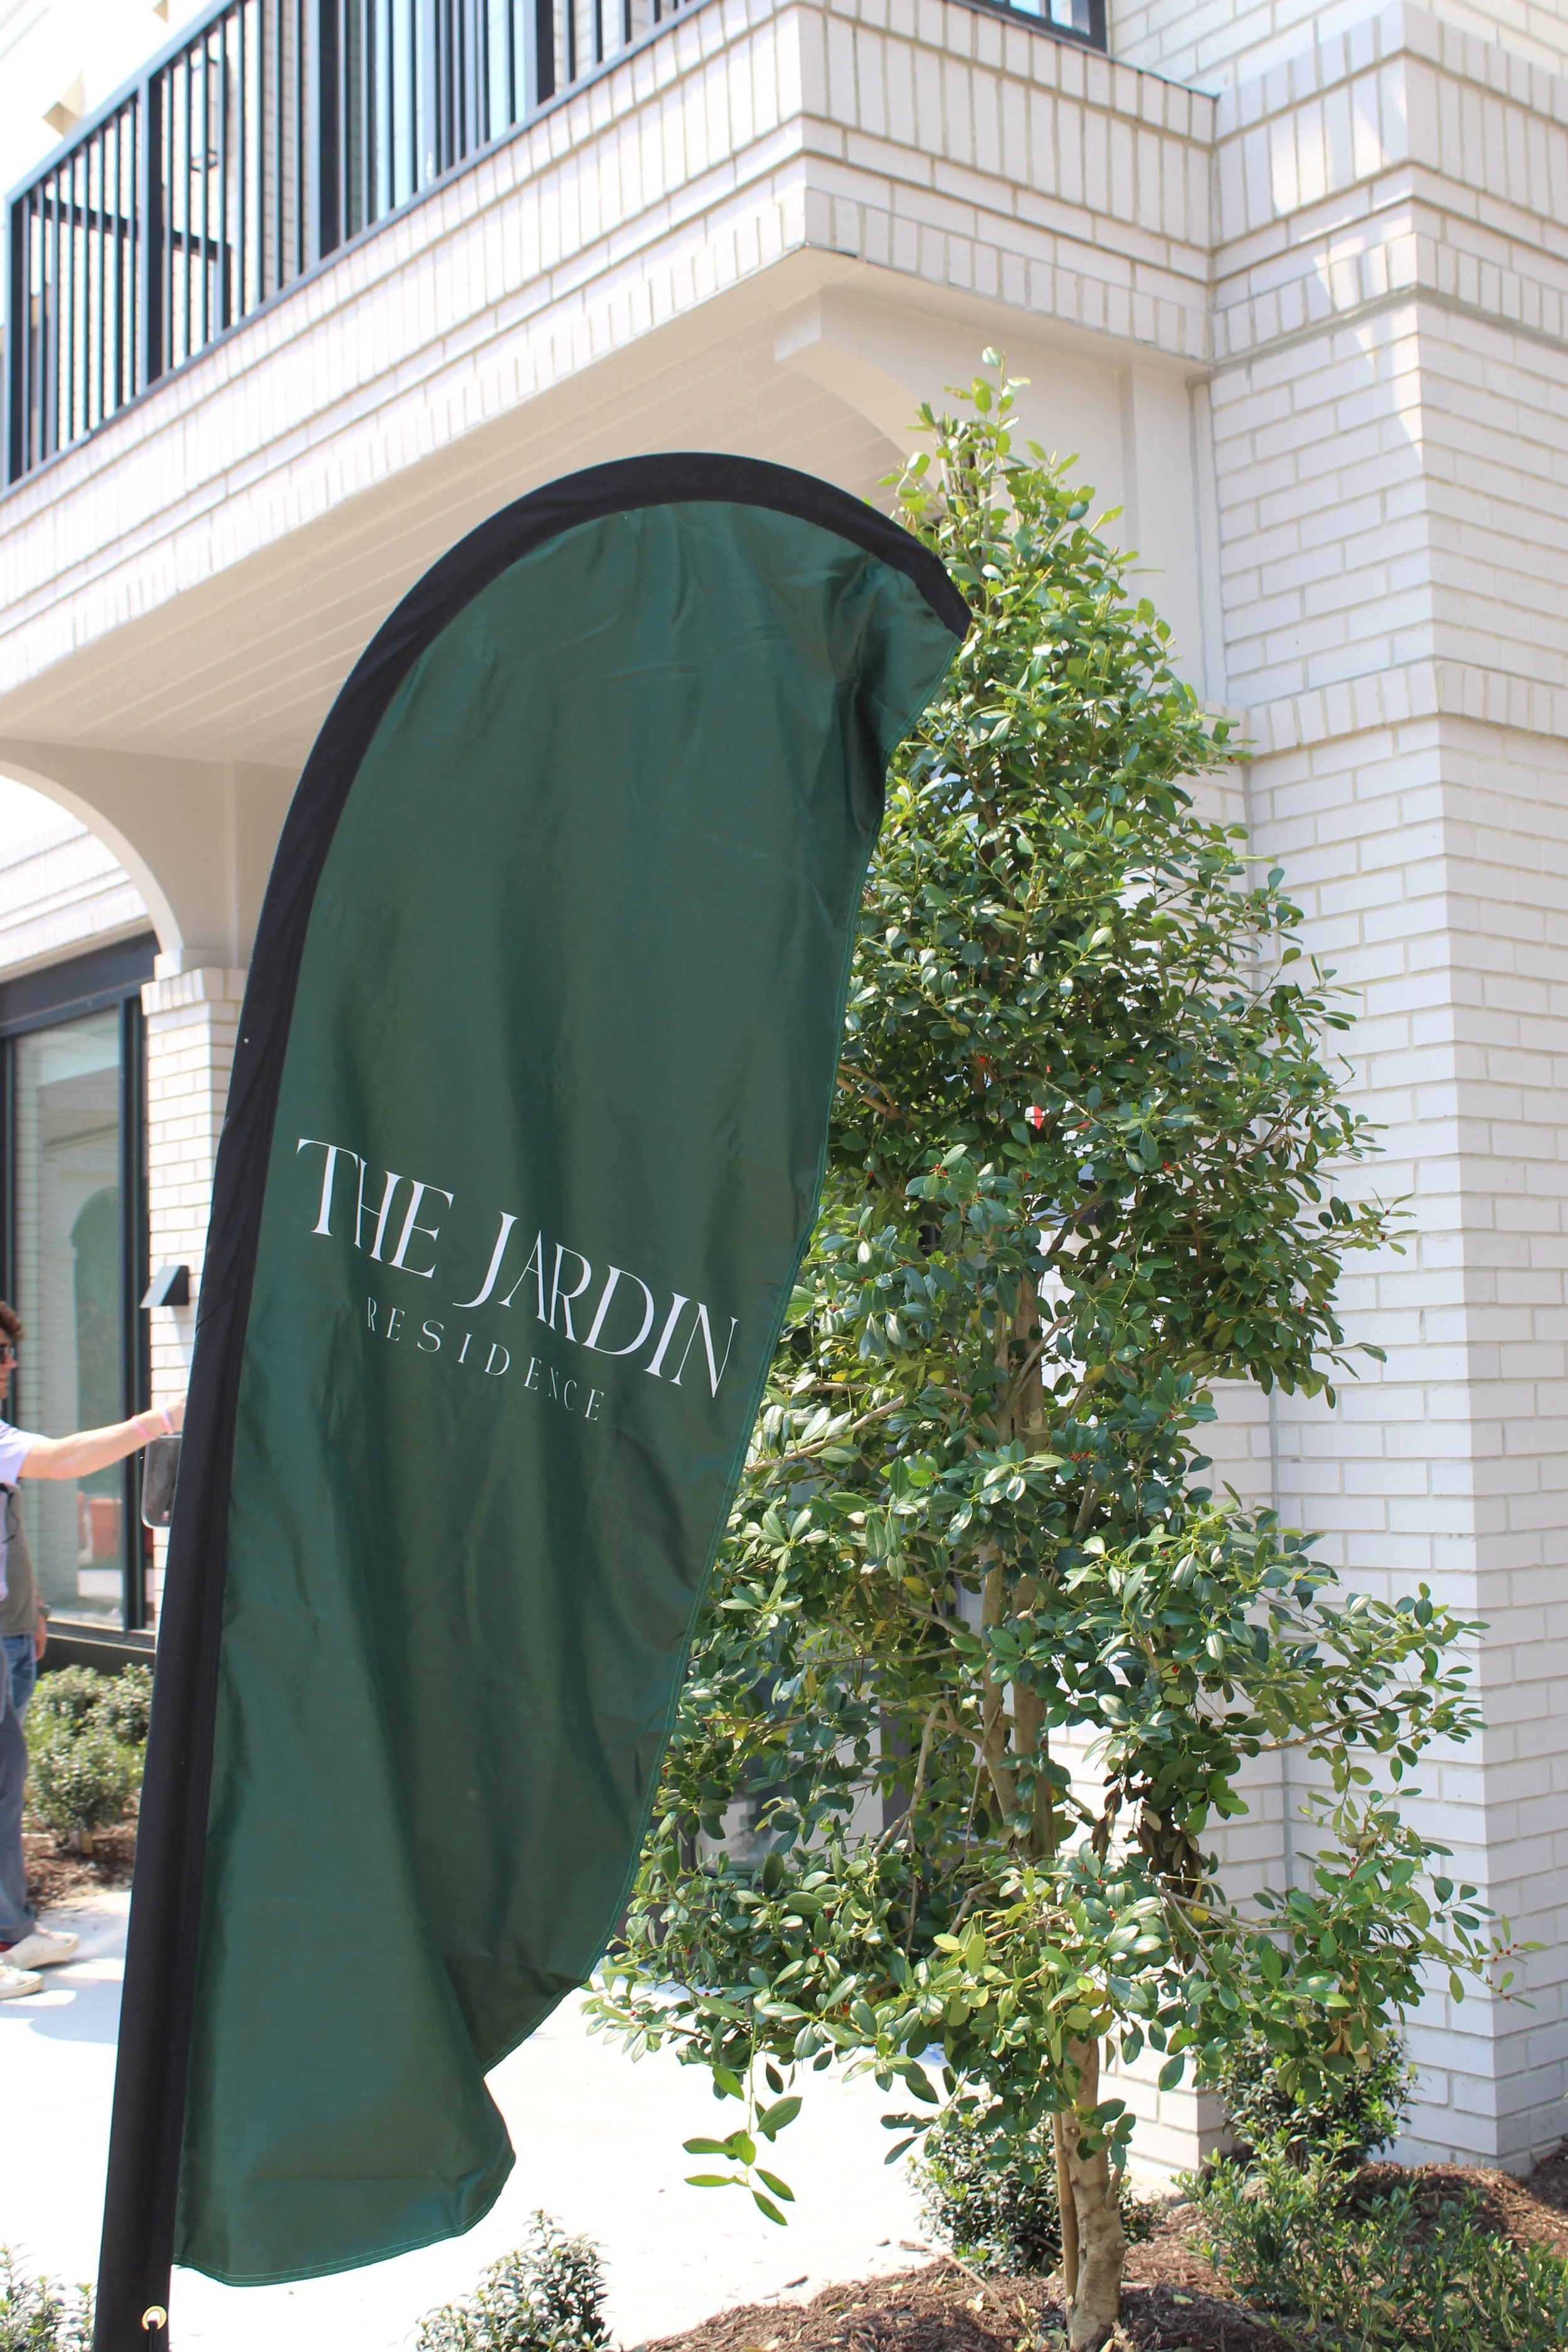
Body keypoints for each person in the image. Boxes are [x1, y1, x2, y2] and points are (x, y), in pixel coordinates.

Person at [0, 1299, 183, 2000]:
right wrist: (161, 1419)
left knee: (5, 1792)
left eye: (12, 1352)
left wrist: (36, 1607)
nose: (10, 1364)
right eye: (1, 1353)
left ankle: (14, 1930)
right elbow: (65, 1459)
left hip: (12, 1634)